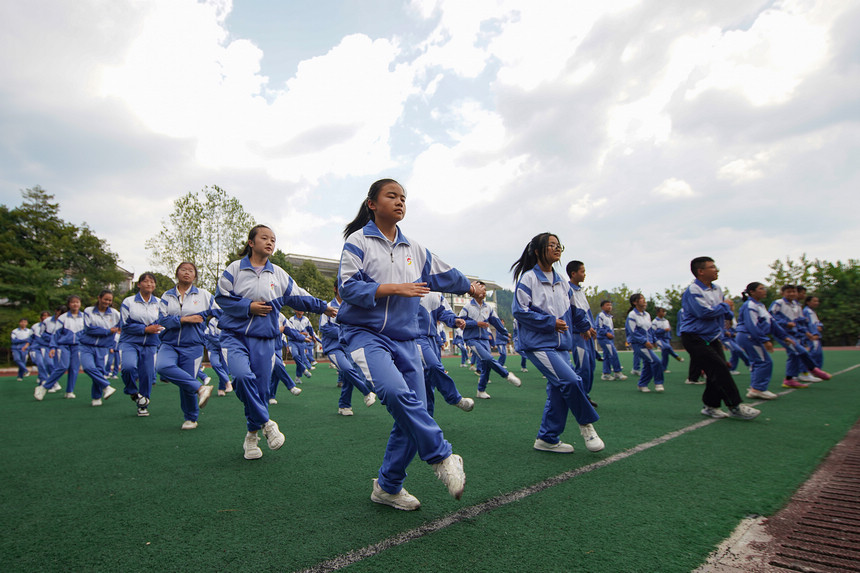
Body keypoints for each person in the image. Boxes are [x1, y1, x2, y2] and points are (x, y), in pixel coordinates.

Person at [337, 178, 471, 511]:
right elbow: (348, 287)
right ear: (372, 204)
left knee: (416, 412)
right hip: (364, 335)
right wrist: (394, 288)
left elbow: (446, 275)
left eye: (403, 198)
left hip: (405, 338)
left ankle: (388, 486)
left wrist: (471, 287)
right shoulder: (358, 242)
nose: (399, 202)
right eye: (391, 196)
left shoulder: (416, 250)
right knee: (395, 393)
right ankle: (442, 456)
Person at [216, 225, 335, 460]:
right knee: (241, 377)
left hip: (265, 340)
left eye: (273, 239)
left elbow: (300, 296)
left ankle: (252, 437)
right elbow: (221, 297)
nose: (270, 242)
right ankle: (267, 424)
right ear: (251, 242)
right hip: (234, 336)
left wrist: (324, 307)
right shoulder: (235, 269)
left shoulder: (278, 274)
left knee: (260, 390)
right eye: (264, 238)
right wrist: (247, 307)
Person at [511, 232, 604, 454]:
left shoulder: (562, 281)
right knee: (572, 381)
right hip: (538, 345)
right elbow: (519, 311)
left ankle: (547, 437)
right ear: (537, 251)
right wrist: (550, 323)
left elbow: (574, 310)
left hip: (561, 345)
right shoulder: (528, 279)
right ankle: (586, 425)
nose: (557, 248)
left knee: (559, 388)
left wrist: (584, 326)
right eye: (551, 245)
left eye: (558, 245)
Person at [679, 257, 760, 419]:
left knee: (716, 369)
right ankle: (735, 406)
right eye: (712, 267)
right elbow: (704, 312)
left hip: (712, 336)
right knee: (719, 368)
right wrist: (724, 307)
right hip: (694, 337)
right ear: (701, 271)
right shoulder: (693, 290)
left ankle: (710, 406)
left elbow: (724, 311)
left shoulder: (717, 289)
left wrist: (727, 311)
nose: (716, 270)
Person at [155, 262, 217, 430]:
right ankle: (200, 388)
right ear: (177, 273)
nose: (187, 273)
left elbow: (219, 312)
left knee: (186, 381)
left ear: (195, 276)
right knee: (162, 366)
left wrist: (207, 318)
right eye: (183, 270)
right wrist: (185, 319)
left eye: (191, 271)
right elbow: (162, 319)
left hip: (193, 345)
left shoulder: (204, 295)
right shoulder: (167, 296)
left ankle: (191, 418)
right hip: (169, 343)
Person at [318, 284, 376, 416]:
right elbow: (324, 328)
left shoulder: (351, 307)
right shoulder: (328, 307)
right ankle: (367, 392)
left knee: (349, 375)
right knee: (346, 368)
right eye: (341, 286)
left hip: (348, 346)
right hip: (333, 348)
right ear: (335, 289)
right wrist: (343, 331)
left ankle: (344, 406)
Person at [459, 281, 521, 399]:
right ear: (474, 291)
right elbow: (460, 322)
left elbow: (496, 322)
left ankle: (481, 390)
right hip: (472, 340)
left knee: (486, 365)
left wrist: (505, 333)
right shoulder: (467, 307)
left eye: (485, 290)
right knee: (487, 358)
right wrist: (476, 323)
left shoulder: (489, 307)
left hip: (485, 339)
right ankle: (507, 375)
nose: (484, 292)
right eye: (481, 289)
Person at [418, 292, 474, 414]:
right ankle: (454, 397)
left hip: (431, 339)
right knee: (433, 366)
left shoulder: (435, 292)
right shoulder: (403, 282)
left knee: (428, 383)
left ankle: (427, 423)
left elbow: (444, 311)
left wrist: (454, 320)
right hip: (414, 338)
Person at [736, 282, 794, 400]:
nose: (764, 290)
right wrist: (764, 340)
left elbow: (772, 323)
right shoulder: (750, 305)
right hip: (748, 337)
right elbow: (751, 325)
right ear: (752, 292)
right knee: (764, 362)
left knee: (758, 361)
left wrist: (783, 336)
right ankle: (758, 389)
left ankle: (755, 387)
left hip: (750, 336)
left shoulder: (760, 305)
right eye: (761, 289)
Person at [119, 272, 163, 417]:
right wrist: (145, 329)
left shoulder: (159, 302)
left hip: (150, 343)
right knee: (128, 367)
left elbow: (163, 321)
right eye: (146, 281)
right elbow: (125, 324)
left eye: (152, 282)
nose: (149, 284)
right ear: (139, 284)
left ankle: (143, 404)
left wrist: (159, 329)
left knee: (147, 374)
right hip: (130, 342)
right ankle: (132, 391)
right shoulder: (129, 302)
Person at [769, 285, 831, 387]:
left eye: (793, 291)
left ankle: (789, 379)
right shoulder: (779, 303)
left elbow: (800, 321)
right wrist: (785, 323)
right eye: (788, 292)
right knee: (800, 351)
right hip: (782, 333)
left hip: (794, 333)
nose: (792, 294)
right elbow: (771, 317)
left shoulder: (796, 305)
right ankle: (813, 369)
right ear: (782, 293)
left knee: (794, 354)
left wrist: (807, 333)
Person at [35, 295, 85, 400]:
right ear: (69, 304)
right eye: (72, 302)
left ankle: (69, 391)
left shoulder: (85, 317)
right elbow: (55, 334)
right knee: (63, 366)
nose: (75, 304)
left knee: (74, 369)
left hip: (78, 346)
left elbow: (87, 333)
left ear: (80, 304)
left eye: (77, 302)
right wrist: (53, 347)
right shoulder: (63, 318)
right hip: (64, 345)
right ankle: (43, 387)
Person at [79, 290, 120, 406]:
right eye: (105, 299)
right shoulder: (89, 311)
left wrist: (111, 335)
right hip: (87, 345)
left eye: (110, 300)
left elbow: (120, 326)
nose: (107, 302)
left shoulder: (115, 313)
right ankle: (106, 386)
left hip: (103, 347)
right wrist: (107, 331)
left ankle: (96, 398)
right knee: (88, 367)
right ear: (99, 298)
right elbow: (89, 329)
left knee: (100, 370)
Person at [566, 260, 598, 406]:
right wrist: (583, 328)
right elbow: (572, 314)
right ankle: (579, 398)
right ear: (573, 273)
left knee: (591, 365)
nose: (585, 274)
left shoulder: (580, 291)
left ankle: (584, 395)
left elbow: (587, 312)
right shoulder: (568, 290)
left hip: (588, 334)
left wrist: (592, 327)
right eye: (582, 271)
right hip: (579, 335)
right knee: (583, 367)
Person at [625, 294, 665, 392]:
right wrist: (644, 341)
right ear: (635, 302)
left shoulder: (647, 315)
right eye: (641, 299)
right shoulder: (632, 315)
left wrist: (654, 340)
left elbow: (650, 329)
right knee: (656, 361)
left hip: (647, 343)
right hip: (638, 344)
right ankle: (658, 383)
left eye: (644, 298)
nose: (644, 301)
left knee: (648, 363)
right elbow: (633, 332)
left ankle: (642, 384)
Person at [596, 301, 626, 380]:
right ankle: (617, 372)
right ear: (602, 307)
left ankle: (606, 374)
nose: (609, 307)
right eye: (607, 305)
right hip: (604, 338)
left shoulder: (609, 317)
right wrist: (606, 334)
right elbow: (599, 327)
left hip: (609, 339)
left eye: (610, 305)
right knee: (613, 353)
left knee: (607, 355)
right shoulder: (601, 315)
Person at [204, 316, 233, 396]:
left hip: (224, 348)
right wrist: (224, 342)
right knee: (215, 364)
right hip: (213, 348)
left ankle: (221, 388)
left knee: (225, 369)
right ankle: (227, 382)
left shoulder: (229, 319)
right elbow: (212, 337)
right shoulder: (213, 321)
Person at [651, 307, 684, 372]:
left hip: (666, 339)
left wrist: (669, 337)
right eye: (662, 311)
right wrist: (663, 330)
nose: (664, 313)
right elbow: (653, 332)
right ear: (658, 313)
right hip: (659, 339)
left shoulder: (666, 321)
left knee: (665, 353)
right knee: (667, 347)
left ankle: (663, 368)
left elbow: (669, 330)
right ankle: (676, 356)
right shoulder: (655, 321)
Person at [285, 310, 315, 380]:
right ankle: (304, 369)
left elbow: (310, 329)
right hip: (293, 341)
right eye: (299, 309)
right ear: (295, 310)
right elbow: (290, 331)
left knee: (301, 359)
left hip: (302, 342)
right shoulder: (291, 320)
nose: (301, 311)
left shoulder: (306, 319)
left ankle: (298, 377)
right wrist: (301, 333)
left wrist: (313, 337)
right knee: (295, 355)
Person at [28, 311, 51, 385]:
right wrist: (27, 345)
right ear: (41, 317)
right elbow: (30, 337)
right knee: (40, 363)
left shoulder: (52, 326)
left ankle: (49, 379)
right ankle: (44, 379)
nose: (45, 317)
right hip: (36, 348)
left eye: (47, 316)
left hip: (47, 348)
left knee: (49, 364)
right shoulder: (35, 326)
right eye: (44, 316)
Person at [803, 295, 824, 369]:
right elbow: (809, 324)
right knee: (814, 353)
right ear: (808, 302)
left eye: (817, 301)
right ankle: (811, 370)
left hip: (815, 335)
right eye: (814, 301)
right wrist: (814, 333)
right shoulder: (807, 311)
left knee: (818, 353)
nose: (817, 303)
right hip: (812, 336)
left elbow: (816, 322)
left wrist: (820, 325)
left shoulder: (812, 311)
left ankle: (817, 370)